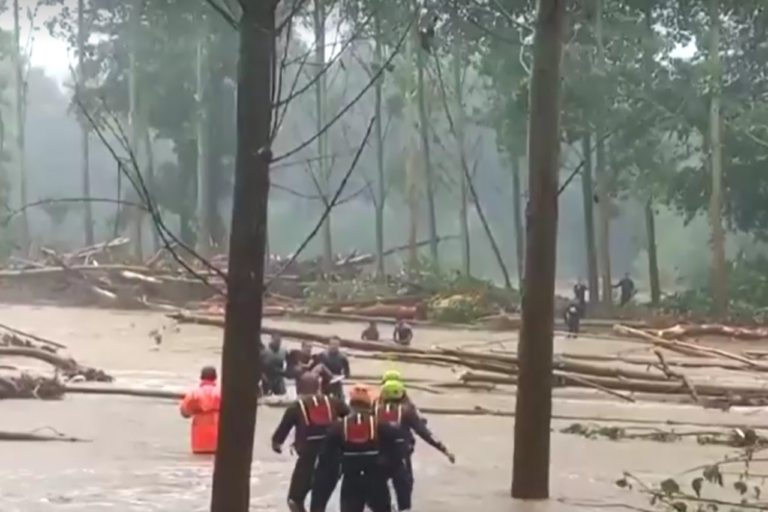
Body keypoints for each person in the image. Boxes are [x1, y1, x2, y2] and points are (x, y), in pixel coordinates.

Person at [310, 383, 406, 512]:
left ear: (350, 404)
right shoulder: (381, 426)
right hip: (376, 481)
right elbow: (397, 458)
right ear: (370, 404)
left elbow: (325, 465)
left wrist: (317, 504)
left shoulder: (338, 427)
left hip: (351, 480)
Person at [271, 373, 350, 512]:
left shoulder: (296, 406)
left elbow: (282, 430)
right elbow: (350, 417)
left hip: (308, 456)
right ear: (318, 387)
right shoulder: (332, 401)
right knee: (321, 499)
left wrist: (276, 444)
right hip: (332, 456)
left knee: (294, 499)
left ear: (298, 388)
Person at [376, 379, 455, 511]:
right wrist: (445, 450)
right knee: (405, 494)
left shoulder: (374, 410)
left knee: (379, 496)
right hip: (401, 459)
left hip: (379, 458)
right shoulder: (407, 411)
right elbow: (425, 433)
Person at [179, 365, 221, 454]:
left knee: (199, 458)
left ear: (201, 377)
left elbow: (185, 411)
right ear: (215, 377)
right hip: (217, 427)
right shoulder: (221, 392)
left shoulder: (193, 393)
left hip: (199, 429)